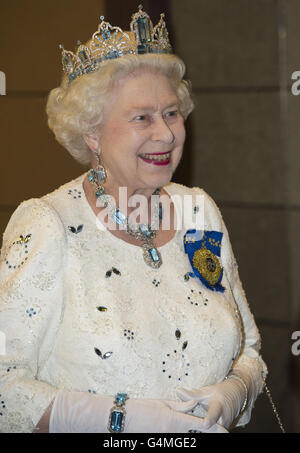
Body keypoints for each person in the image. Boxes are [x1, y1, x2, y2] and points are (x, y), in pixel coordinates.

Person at [0, 6, 267, 433]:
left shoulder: (199, 210)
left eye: (172, 113)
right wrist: (124, 421)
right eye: (142, 117)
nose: (166, 133)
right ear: (91, 133)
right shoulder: (47, 223)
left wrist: (236, 389)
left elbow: (249, 348)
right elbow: (4, 390)